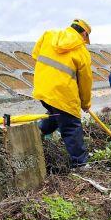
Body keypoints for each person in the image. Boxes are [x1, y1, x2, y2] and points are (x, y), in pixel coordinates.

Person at [32, 19, 92, 169]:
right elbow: (85, 81)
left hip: (42, 88)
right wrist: (85, 103)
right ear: (84, 33)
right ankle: (80, 163)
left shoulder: (49, 34)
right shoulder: (81, 51)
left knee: (55, 114)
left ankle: (37, 132)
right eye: (86, 38)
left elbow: (35, 54)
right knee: (71, 126)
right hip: (63, 93)